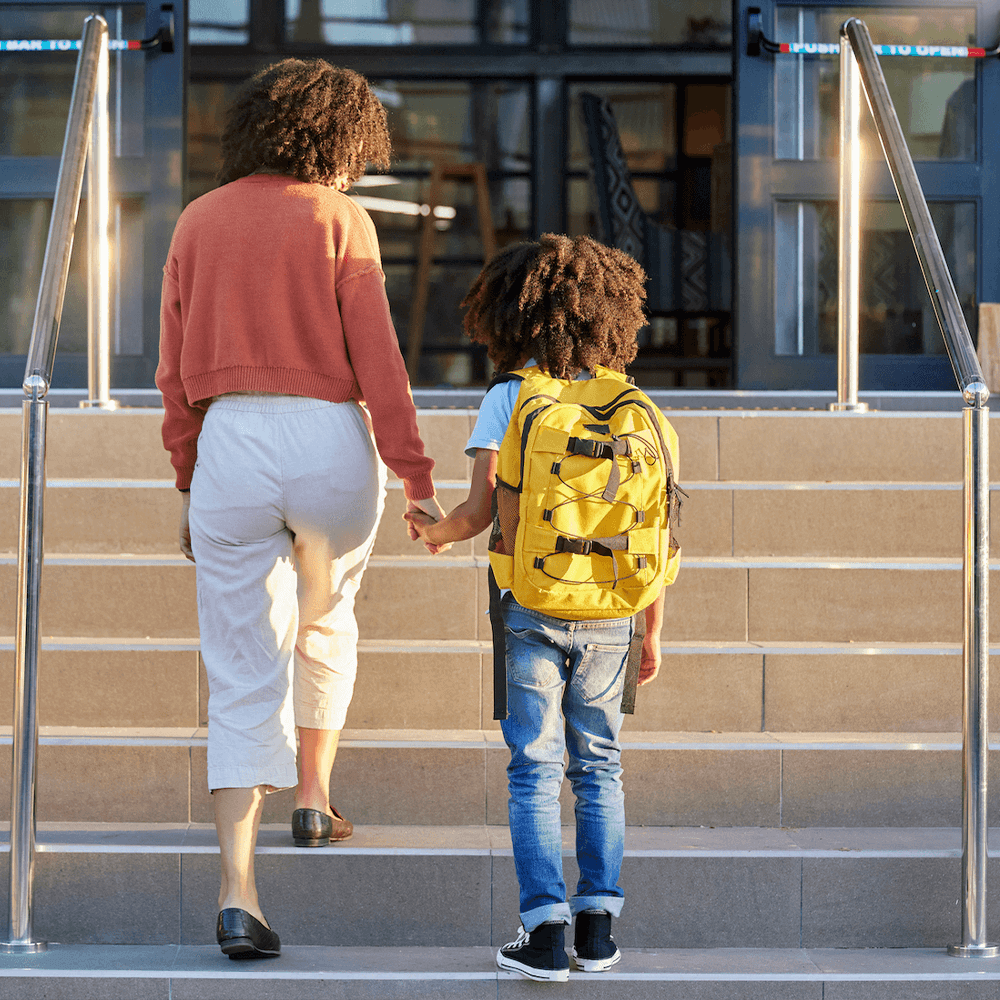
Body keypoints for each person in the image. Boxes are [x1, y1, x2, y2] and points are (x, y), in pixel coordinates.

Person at [156, 58, 444, 959]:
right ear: (341, 139)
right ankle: (314, 801)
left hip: (231, 445)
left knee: (242, 666)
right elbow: (379, 360)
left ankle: (238, 892)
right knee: (325, 620)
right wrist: (416, 476)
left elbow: (172, 374)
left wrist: (186, 474)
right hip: (328, 442)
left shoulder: (198, 220)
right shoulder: (338, 217)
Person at [406, 234, 670, 982]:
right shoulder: (627, 403)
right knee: (600, 765)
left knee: (533, 766)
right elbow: (656, 526)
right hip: (614, 608)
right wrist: (652, 627)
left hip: (526, 602)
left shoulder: (509, 395)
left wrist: (432, 532)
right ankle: (598, 930)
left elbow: (480, 511)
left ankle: (543, 931)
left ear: (510, 315)